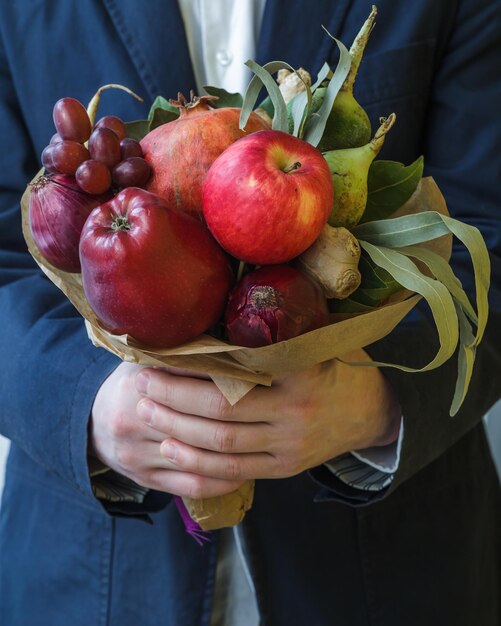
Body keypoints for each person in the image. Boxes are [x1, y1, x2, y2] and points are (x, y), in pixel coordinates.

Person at [0, 1, 500, 625]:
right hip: (92, 579)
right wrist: (84, 402)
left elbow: (489, 225)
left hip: (390, 573)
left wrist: (379, 403)